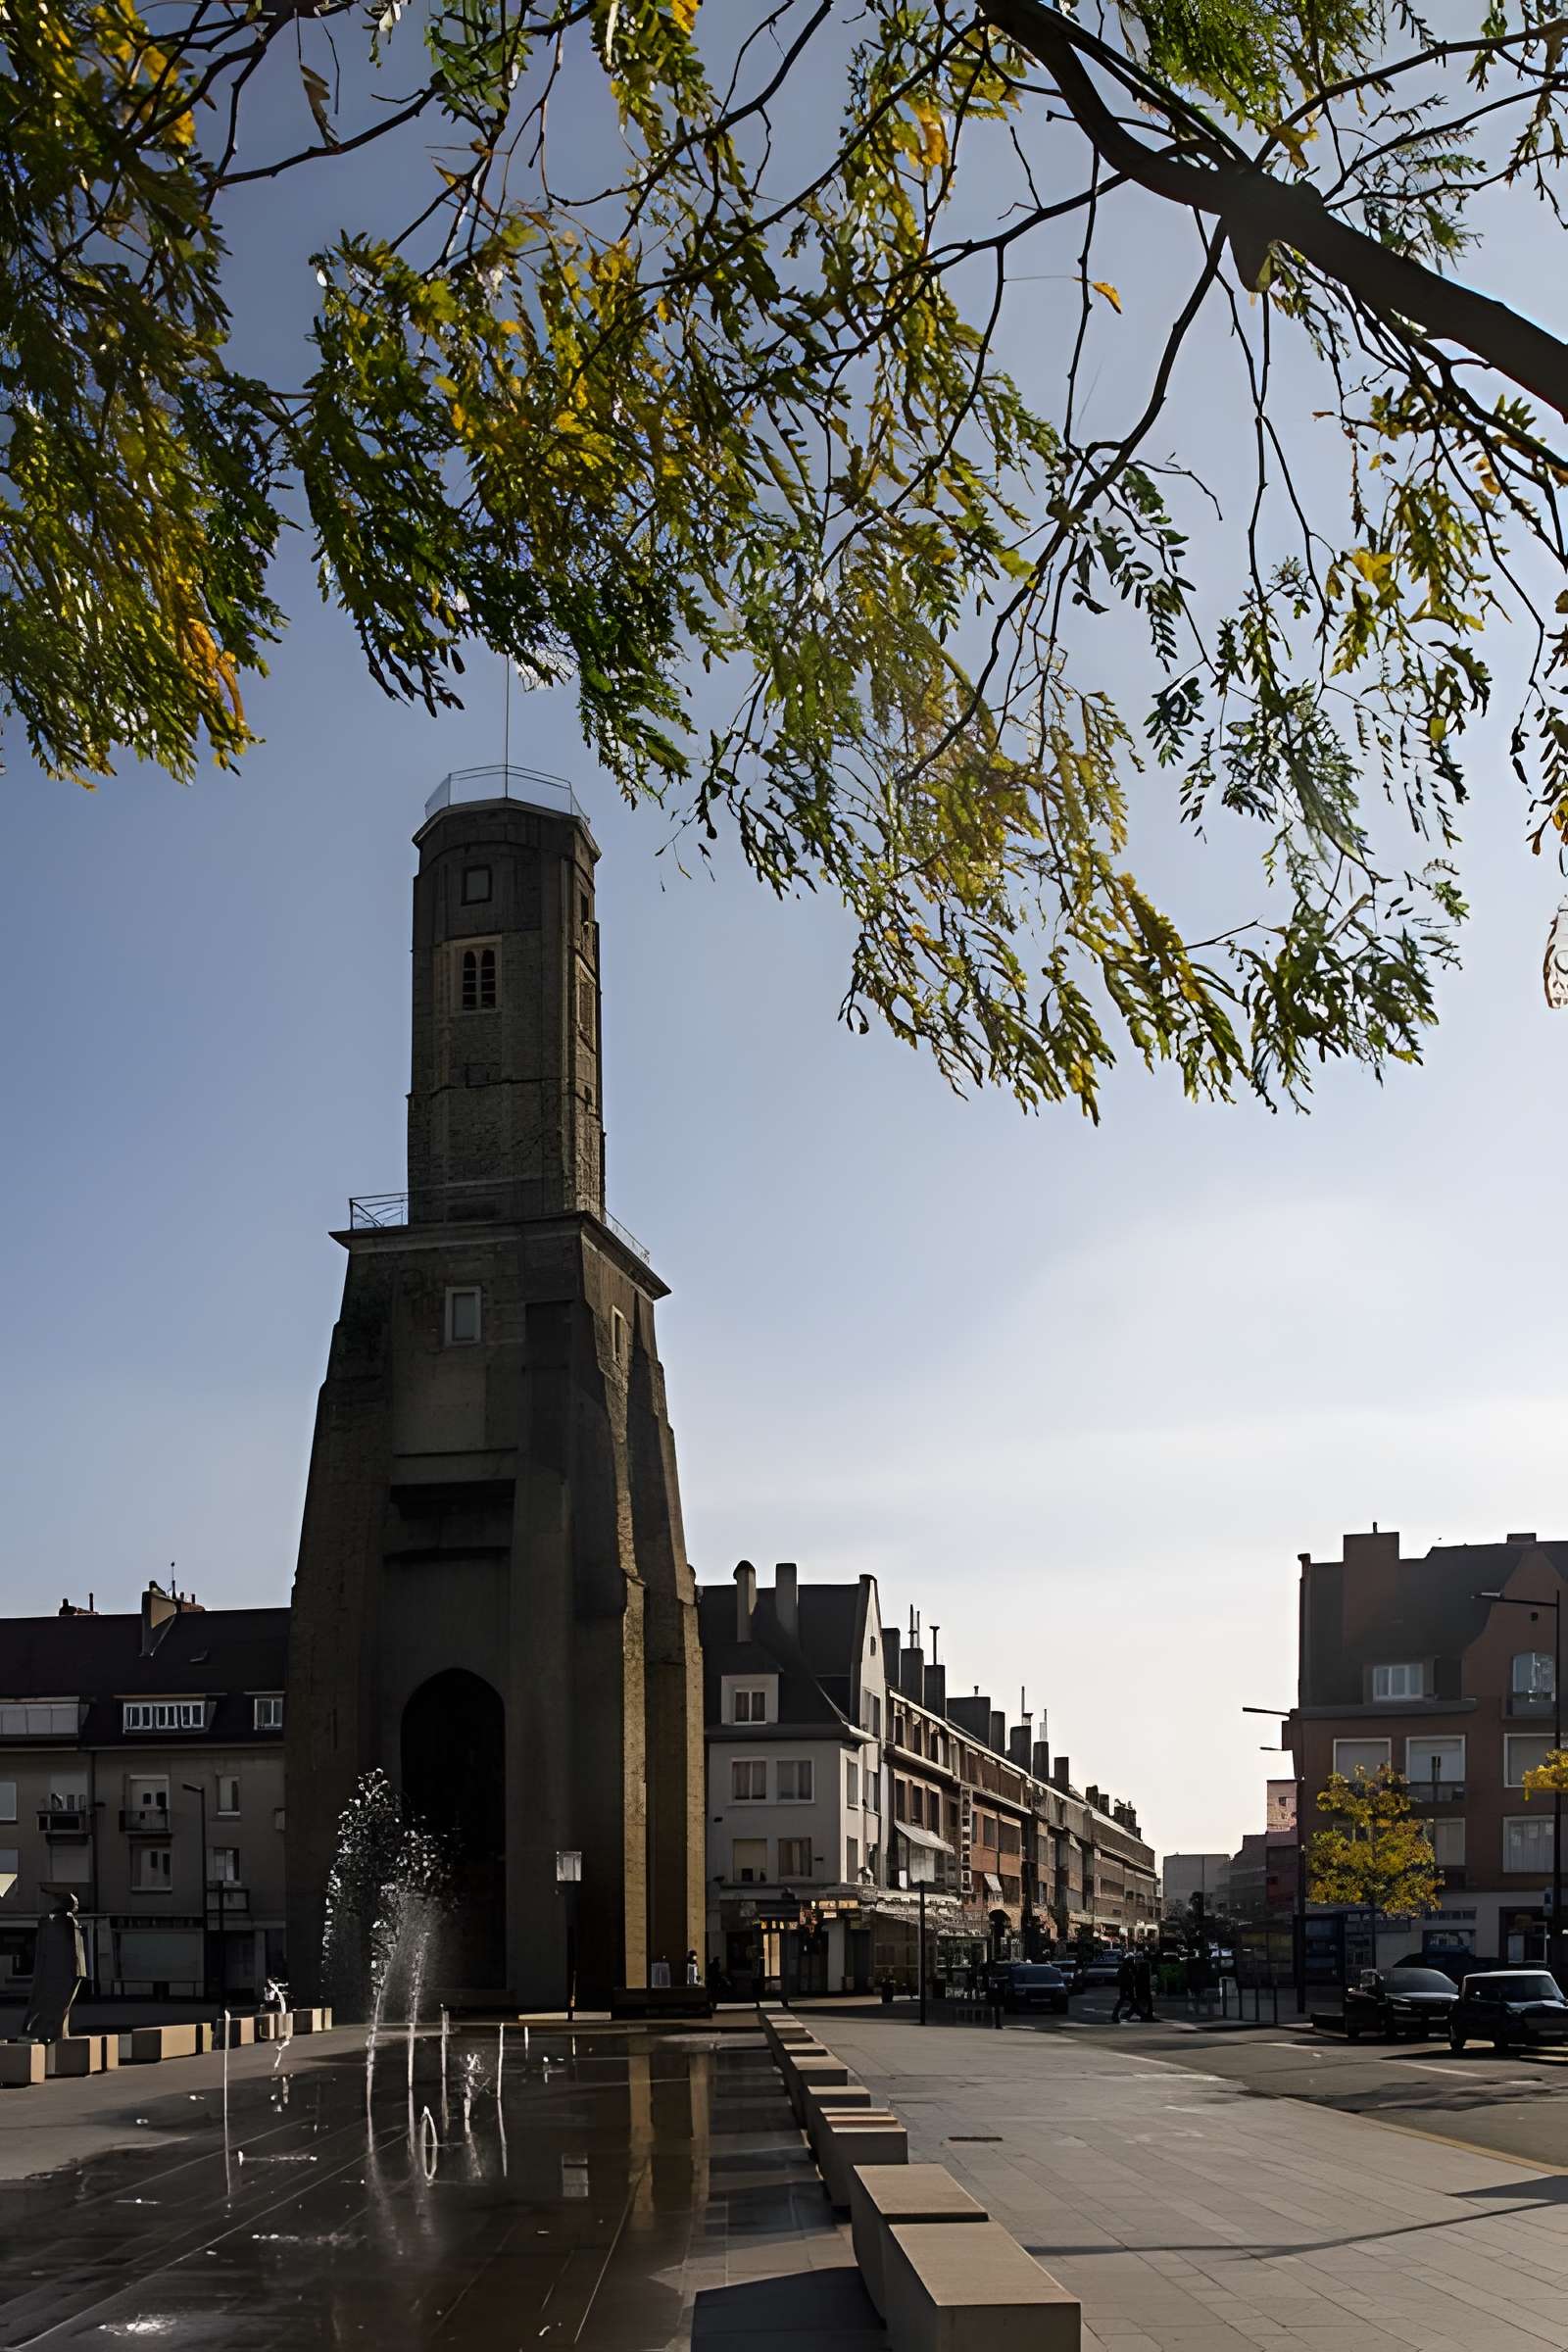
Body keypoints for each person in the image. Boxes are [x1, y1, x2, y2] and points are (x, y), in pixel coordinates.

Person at [23, 1892, 87, 2043]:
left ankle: (57, 2032)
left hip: (68, 1970)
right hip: (67, 1970)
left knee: (60, 2005)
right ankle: (51, 2032)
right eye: (74, 1903)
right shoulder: (62, 1921)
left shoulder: (56, 1921)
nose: (76, 1906)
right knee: (58, 2004)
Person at [1110, 1950, 1138, 2025]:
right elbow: (1135, 1971)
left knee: (1125, 2000)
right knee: (1131, 2001)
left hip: (1125, 1985)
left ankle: (1123, 2015)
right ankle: (1124, 2015)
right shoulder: (1128, 1965)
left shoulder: (1124, 1965)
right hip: (1127, 1985)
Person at [1133, 1947, 1154, 2022]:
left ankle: (1146, 2015)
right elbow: (1139, 1980)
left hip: (1143, 1988)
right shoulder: (1143, 1966)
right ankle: (1145, 2015)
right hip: (1143, 1989)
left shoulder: (1141, 1966)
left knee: (1142, 2002)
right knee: (1142, 2003)